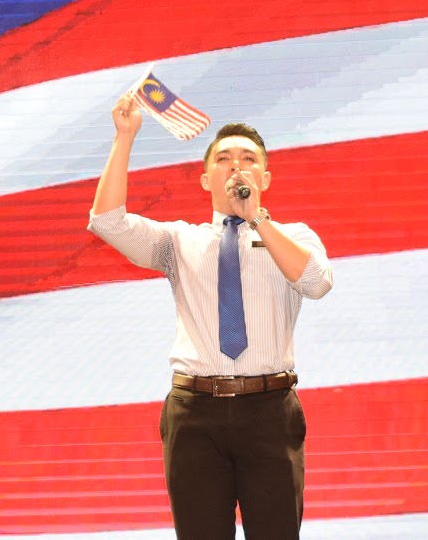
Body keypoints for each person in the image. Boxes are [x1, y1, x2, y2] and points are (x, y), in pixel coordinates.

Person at [88, 92, 333, 540]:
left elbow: (316, 282)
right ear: (205, 179)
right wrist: (124, 137)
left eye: (248, 159)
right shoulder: (179, 241)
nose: (236, 166)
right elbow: (108, 222)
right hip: (194, 413)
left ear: (265, 177)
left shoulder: (292, 235)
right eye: (223, 159)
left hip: (269, 411)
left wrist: (257, 218)